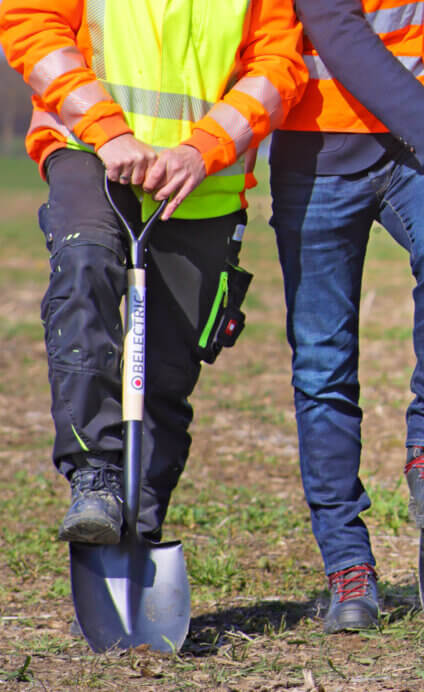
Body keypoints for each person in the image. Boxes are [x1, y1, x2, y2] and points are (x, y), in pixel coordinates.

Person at [0, 1, 305, 544]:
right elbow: (31, 23)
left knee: (166, 367)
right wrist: (108, 131)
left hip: (202, 181)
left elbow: (278, 63)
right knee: (84, 267)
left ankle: (138, 523)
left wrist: (201, 149)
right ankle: (96, 474)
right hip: (90, 148)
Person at [269, 0, 424, 632]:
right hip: (317, 149)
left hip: (420, 151)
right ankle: (348, 568)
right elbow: (336, 28)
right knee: (322, 365)